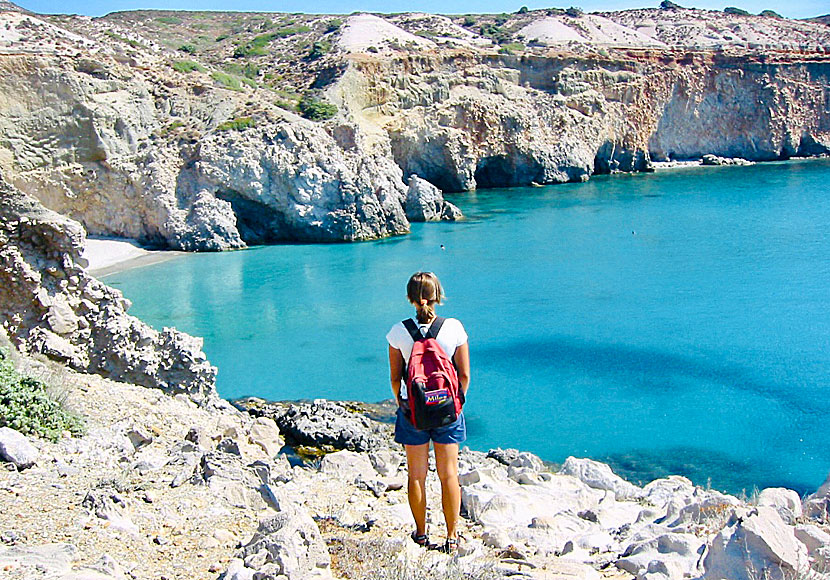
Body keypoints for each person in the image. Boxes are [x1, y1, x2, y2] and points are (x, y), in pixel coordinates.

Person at [386, 271, 470, 554]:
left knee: (416, 476)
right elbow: (465, 375)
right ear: (438, 295)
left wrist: (404, 404)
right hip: (448, 410)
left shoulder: (398, 332)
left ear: (410, 298)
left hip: (413, 413)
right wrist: (455, 404)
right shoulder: (454, 327)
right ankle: (452, 536)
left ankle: (421, 534)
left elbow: (395, 378)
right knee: (449, 475)